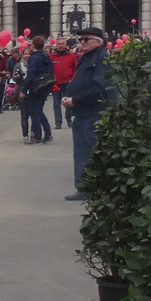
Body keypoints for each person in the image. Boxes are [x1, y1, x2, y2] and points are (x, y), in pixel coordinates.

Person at [61, 26, 111, 199]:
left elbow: (99, 88)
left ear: (98, 42)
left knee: (93, 151)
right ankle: (83, 188)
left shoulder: (102, 58)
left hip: (94, 112)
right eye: (80, 39)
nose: (82, 42)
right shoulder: (86, 58)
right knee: (81, 151)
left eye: (86, 39)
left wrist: (75, 100)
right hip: (82, 112)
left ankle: (96, 188)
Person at [22, 36, 55, 144]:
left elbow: (31, 75)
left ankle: (37, 137)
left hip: (36, 86)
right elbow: (51, 71)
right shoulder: (46, 56)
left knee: (34, 112)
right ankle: (48, 134)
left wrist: (24, 90)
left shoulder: (34, 58)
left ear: (33, 45)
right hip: (45, 85)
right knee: (39, 110)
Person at [49, 37, 77, 130]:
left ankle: (69, 119)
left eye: (62, 44)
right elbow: (49, 70)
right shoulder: (51, 56)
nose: (61, 45)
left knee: (67, 103)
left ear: (66, 45)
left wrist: (72, 79)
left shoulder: (71, 56)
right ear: (56, 45)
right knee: (56, 104)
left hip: (67, 82)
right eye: (59, 44)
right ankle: (58, 122)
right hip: (55, 83)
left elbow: (75, 68)